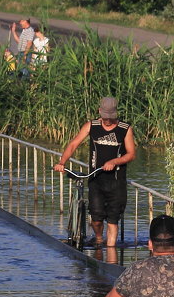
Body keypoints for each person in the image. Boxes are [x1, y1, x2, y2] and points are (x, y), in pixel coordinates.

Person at [53, 97, 135, 248]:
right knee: (96, 219)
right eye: (105, 117)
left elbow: (131, 154)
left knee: (112, 220)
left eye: (111, 117)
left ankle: (111, 253)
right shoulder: (92, 126)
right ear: (100, 112)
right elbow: (73, 144)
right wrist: (62, 163)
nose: (108, 121)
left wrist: (114, 162)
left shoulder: (125, 129)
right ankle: (98, 239)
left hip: (116, 182)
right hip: (96, 180)